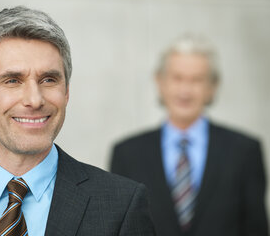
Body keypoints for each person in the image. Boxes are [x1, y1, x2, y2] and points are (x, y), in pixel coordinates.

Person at [0, 6, 155, 236]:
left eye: (49, 80)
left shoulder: (121, 205)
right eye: (12, 80)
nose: (34, 99)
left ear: (66, 93)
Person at [111, 34, 268, 236]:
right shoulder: (127, 154)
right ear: (160, 82)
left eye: (197, 80)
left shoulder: (245, 152)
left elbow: (256, 229)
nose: (185, 90)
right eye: (177, 78)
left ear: (212, 87)